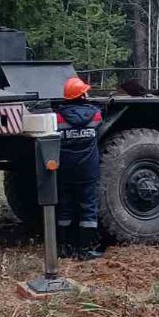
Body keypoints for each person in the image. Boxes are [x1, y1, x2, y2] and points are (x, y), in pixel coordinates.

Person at [54, 76, 103, 260]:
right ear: (83, 95)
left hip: (64, 170)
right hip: (87, 170)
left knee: (64, 209)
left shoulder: (57, 117)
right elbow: (99, 123)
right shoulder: (96, 115)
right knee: (88, 208)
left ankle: (64, 248)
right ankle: (85, 249)